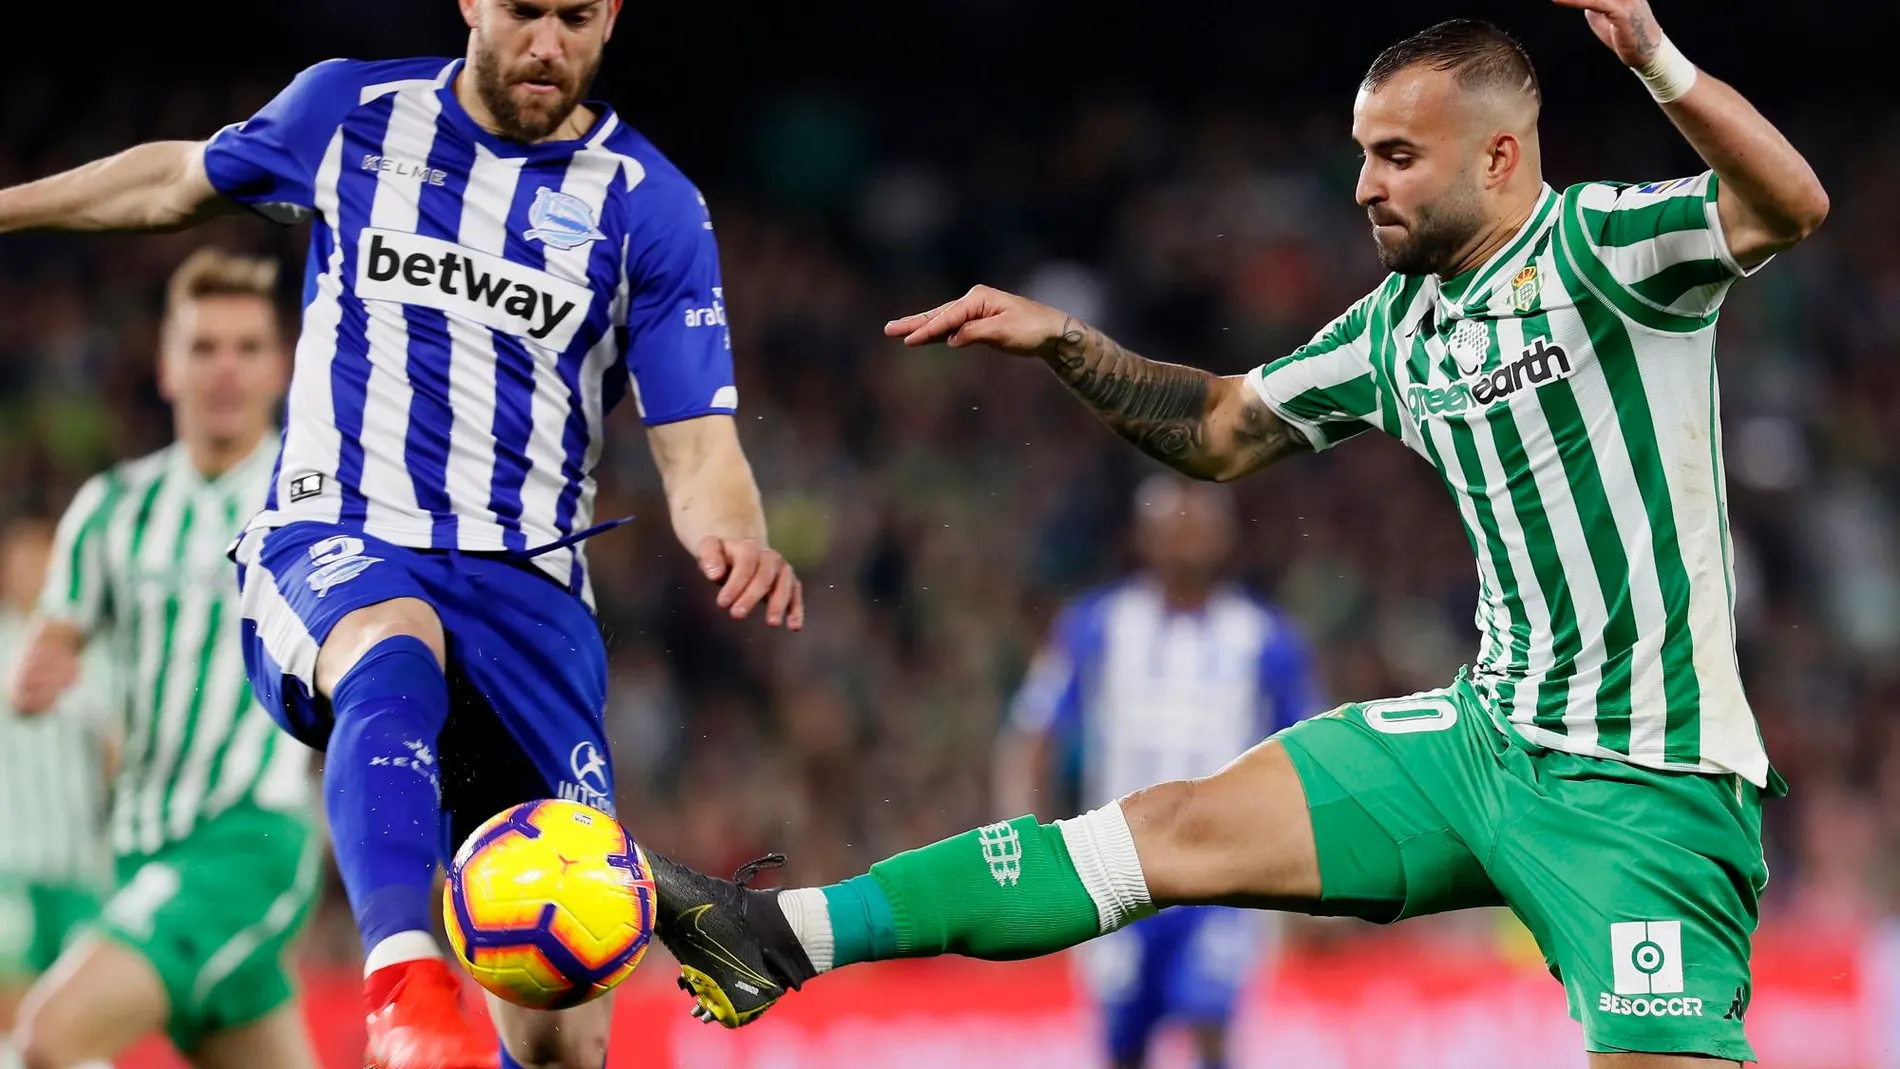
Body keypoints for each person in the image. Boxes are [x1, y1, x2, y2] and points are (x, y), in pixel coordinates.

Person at [644, 6, 1828, 1068]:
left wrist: (1657, 60)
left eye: (1398, 157)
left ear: (1499, 155)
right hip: (1481, 740)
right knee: (1165, 829)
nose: (1365, 184)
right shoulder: (1396, 329)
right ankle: (778, 935)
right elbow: (1219, 425)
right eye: (1362, 154)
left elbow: (1788, 204)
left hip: (1645, 785)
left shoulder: (1604, 251)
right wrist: (1069, 343)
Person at [0, 1, 802, 1065]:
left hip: (528, 595)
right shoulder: (352, 109)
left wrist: (735, 534)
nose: (547, 45)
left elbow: (697, 447)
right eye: (524, 11)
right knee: (390, 641)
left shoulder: (649, 206)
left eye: (576, 17)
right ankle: (404, 973)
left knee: (561, 1027)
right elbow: (173, 182)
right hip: (341, 533)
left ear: (611, 16)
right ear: (472, 1)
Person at [5, 251, 321, 1069]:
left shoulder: (320, 504)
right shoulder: (112, 511)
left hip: (249, 838)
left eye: (247, 347)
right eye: (204, 345)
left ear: (279, 365)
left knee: (46, 1038)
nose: (226, 368)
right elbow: (51, 644)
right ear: (165, 364)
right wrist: (38, 674)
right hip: (141, 848)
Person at [994, 473, 1322, 1069]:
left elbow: (1311, 754)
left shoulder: (1266, 639)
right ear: (1141, 537)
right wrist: (1028, 843)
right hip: (1118, 863)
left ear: (1226, 538)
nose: (1184, 537)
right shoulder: (1094, 626)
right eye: (1170, 523)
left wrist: (1308, 861)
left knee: (1210, 1021)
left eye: (1198, 523)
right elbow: (1033, 734)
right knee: (1124, 1041)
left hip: (1227, 869)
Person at [0, 515, 117, 1069]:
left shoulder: (95, 656)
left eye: (45, 560)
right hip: (10, 864)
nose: (33, 574)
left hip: (80, 865)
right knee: (17, 1011)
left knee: (73, 1026)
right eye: (22, 560)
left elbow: (119, 754)